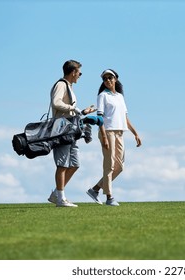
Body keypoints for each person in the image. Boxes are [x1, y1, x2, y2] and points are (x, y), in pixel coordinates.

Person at [86, 69, 142, 206]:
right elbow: (99, 117)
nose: (107, 80)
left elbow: (125, 118)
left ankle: (95, 189)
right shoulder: (102, 96)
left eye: (110, 77)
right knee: (109, 165)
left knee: (119, 167)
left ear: (115, 79)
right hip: (108, 132)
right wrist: (104, 136)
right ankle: (109, 197)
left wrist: (135, 133)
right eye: (105, 79)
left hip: (120, 132)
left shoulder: (120, 97)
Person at [47, 60, 95, 207]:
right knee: (62, 164)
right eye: (79, 72)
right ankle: (61, 199)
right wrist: (74, 109)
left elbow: (69, 108)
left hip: (70, 130)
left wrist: (82, 111)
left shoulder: (69, 87)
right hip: (61, 129)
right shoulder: (61, 84)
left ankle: (57, 194)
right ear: (73, 72)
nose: (80, 75)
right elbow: (56, 102)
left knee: (74, 164)